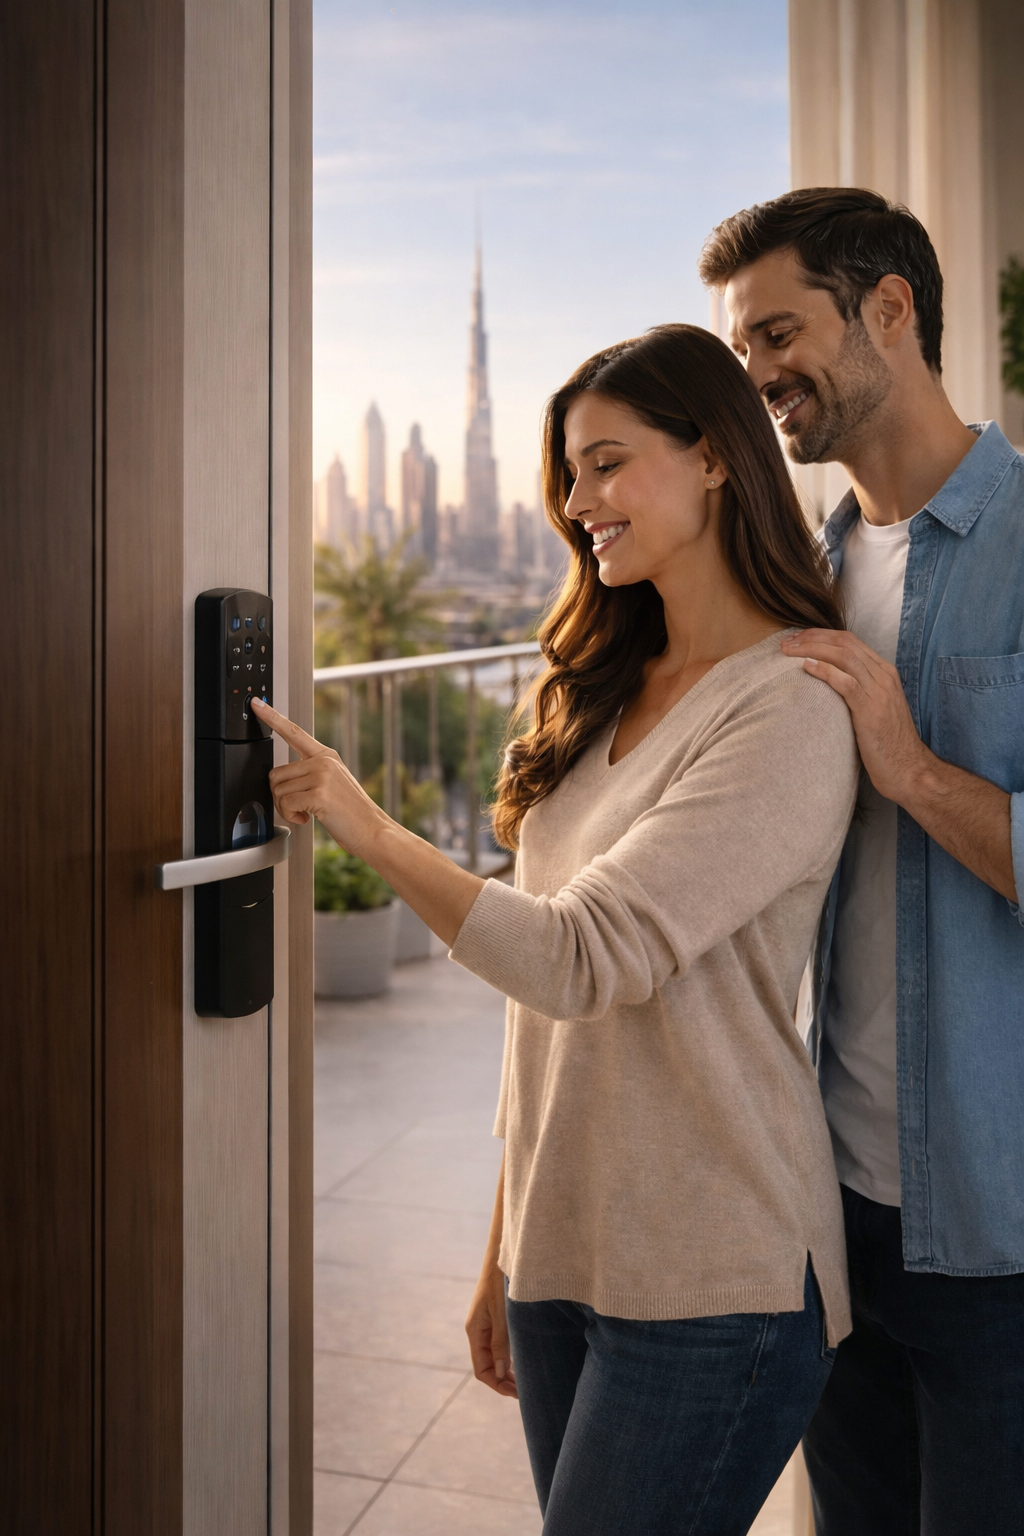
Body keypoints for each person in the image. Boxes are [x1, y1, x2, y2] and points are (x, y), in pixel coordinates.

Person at [253, 324, 859, 1535]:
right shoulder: (598, 690)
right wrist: (507, 1247)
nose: (577, 505)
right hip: (564, 1250)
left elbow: (578, 957)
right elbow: (544, 1029)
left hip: (713, 1278)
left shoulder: (789, 705)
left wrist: (366, 826)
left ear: (713, 458)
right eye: (568, 476)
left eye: (606, 465)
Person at [700, 186, 1024, 1535]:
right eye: (742, 351)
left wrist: (911, 767)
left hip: (1000, 1225)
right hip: (830, 1208)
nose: (759, 377)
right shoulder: (799, 574)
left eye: (779, 334)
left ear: (889, 308)